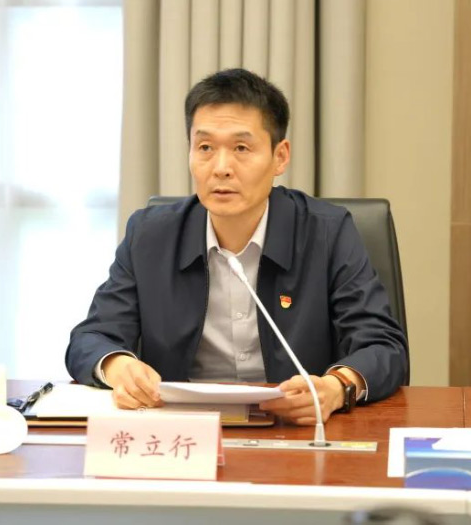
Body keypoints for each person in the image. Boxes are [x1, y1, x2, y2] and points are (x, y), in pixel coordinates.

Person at [65, 68, 408, 425]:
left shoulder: (327, 232)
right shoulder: (150, 235)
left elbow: (382, 346)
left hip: (293, 427)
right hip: (183, 430)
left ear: (280, 156)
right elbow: (91, 337)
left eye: (241, 148)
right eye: (205, 148)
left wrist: (337, 387)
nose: (221, 168)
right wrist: (118, 365)